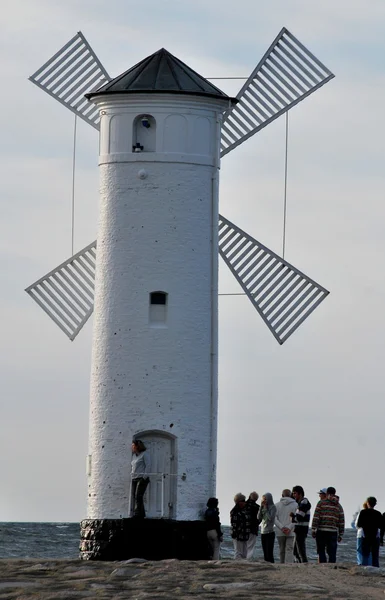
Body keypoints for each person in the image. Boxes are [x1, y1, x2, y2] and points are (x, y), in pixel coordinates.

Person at [311, 486, 345, 563]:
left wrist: (313, 529)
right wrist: (341, 534)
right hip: (333, 532)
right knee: (332, 552)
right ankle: (332, 567)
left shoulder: (321, 503)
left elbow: (316, 517)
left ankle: (323, 566)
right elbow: (341, 521)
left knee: (321, 550)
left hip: (321, 531)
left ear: (326, 493)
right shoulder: (339, 506)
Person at [356, 497, 382, 567]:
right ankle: (376, 568)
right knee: (375, 554)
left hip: (365, 535)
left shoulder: (363, 512)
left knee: (365, 553)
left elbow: (359, 524)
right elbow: (381, 525)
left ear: (367, 503)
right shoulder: (378, 513)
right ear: (375, 504)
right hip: (375, 535)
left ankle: (364, 567)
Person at [274, 489, 297, 563]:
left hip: (280, 531)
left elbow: (274, 518)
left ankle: (282, 564)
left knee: (281, 549)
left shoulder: (276, 505)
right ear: (290, 495)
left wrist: (282, 527)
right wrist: (289, 527)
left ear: (282, 495)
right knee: (289, 549)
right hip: (291, 531)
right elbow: (296, 518)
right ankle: (289, 565)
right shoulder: (296, 505)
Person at [131, 439, 151, 518]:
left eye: (133, 446)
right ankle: (142, 514)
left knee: (138, 496)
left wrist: (144, 477)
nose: (132, 447)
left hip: (142, 479)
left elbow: (148, 466)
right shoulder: (134, 456)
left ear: (137, 446)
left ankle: (137, 514)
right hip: (134, 478)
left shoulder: (144, 454)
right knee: (135, 496)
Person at [291, 485, 311, 563]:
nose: (293, 495)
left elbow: (300, 516)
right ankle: (300, 564)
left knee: (301, 550)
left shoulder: (304, 502)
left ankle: (304, 564)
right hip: (298, 529)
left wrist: (293, 517)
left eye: (295, 493)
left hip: (301, 529)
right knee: (295, 551)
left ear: (300, 494)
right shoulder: (299, 503)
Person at [230, 493, 251, 559]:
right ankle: (237, 566)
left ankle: (244, 565)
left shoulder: (244, 510)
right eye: (243, 501)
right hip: (238, 534)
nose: (245, 502)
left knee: (245, 552)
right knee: (238, 552)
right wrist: (238, 532)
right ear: (239, 502)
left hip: (245, 534)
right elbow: (234, 524)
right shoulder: (234, 511)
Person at [258, 493, 276, 563]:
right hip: (263, 532)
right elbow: (258, 518)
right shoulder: (262, 507)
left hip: (270, 532)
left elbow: (270, 518)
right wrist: (261, 508)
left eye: (265, 499)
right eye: (263, 499)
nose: (264, 501)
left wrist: (265, 508)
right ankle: (266, 566)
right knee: (265, 552)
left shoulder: (273, 507)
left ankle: (272, 565)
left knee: (269, 552)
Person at [245, 492, 260, 560]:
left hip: (244, 528)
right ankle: (248, 559)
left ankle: (241, 559)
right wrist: (257, 523)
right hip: (253, 528)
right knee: (250, 546)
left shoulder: (244, 505)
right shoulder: (257, 507)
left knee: (243, 545)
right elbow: (260, 518)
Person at [356, 501, 372, 566]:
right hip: (371, 534)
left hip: (361, 534)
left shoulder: (361, 513)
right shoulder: (374, 513)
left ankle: (360, 562)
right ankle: (369, 563)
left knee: (359, 549)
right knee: (369, 550)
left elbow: (357, 524)